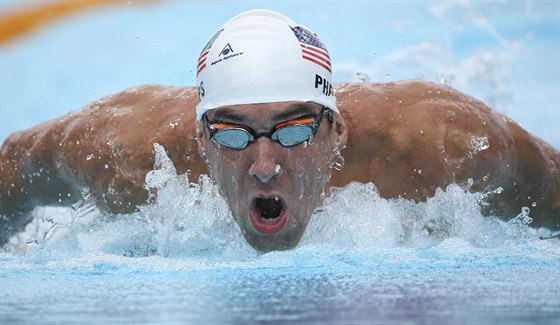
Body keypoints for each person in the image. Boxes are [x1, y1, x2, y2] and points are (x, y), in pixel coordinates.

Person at [1, 10, 559, 251]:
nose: (264, 165)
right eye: (234, 134)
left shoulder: (438, 143)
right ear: (199, 139)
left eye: (292, 131)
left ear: (336, 131)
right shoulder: (123, 155)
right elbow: (13, 167)